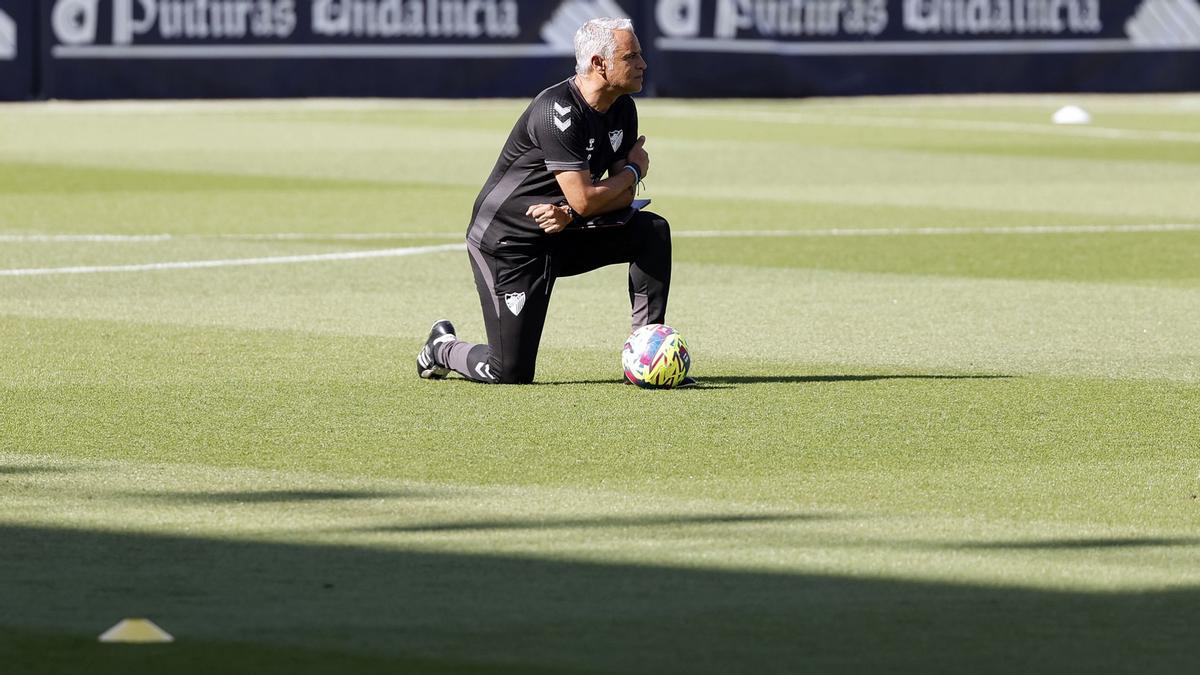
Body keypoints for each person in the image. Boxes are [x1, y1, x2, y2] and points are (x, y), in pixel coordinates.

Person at [417, 17, 679, 385]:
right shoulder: (557, 111)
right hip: (509, 243)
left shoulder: (622, 107)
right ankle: (441, 347)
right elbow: (593, 198)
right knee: (508, 372)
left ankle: (648, 353)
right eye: (631, 56)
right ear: (598, 64)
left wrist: (575, 210)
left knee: (651, 230)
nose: (643, 64)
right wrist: (633, 171)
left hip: (563, 229)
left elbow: (621, 199)